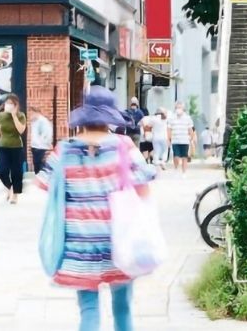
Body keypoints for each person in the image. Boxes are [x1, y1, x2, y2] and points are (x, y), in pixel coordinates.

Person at [37, 85, 156, 331]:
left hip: (80, 242)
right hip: (118, 239)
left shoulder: (64, 149)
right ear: (109, 117)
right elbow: (143, 188)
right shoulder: (123, 145)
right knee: (122, 308)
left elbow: (44, 184)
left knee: (88, 311)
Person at [0, 93, 27, 203]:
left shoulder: (21, 115)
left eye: (11, 103)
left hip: (16, 147)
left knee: (16, 172)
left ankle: (15, 195)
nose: (8, 105)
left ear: (16, 105)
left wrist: (14, 116)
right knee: (2, 171)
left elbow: (21, 130)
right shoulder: (0, 116)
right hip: (3, 146)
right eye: (7, 103)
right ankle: (10, 187)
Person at [168, 102, 195, 175]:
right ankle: (176, 168)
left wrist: (191, 138)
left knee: (184, 157)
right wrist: (169, 139)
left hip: (185, 141)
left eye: (180, 107)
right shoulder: (171, 118)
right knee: (176, 157)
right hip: (175, 141)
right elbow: (169, 129)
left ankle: (184, 172)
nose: (178, 109)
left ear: (183, 109)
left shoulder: (187, 118)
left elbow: (190, 129)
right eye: (177, 108)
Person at [29, 110, 53, 176]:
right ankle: (39, 176)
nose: (30, 116)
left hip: (40, 147)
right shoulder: (34, 121)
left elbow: (46, 133)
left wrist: (43, 142)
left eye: (32, 114)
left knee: (39, 163)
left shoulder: (42, 121)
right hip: (35, 146)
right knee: (37, 163)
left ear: (36, 112)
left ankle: (42, 176)